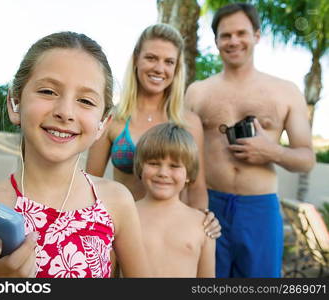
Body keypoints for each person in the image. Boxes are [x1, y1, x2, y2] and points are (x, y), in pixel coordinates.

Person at [0, 32, 150, 278]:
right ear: (14, 103)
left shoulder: (116, 202)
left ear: (102, 124)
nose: (65, 112)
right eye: (48, 92)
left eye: (85, 100)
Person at [185, 3, 315, 278]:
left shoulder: (286, 92)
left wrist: (272, 151)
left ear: (256, 35)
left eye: (241, 33)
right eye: (226, 35)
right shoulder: (197, 93)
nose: (233, 41)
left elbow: (306, 159)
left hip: (259, 209)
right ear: (217, 40)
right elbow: (183, 157)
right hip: (209, 205)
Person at [86, 23, 221, 238]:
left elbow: (196, 187)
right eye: (151, 58)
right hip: (121, 233)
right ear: (136, 59)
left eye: (169, 62)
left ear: (176, 69)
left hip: (172, 234)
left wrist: (202, 225)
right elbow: (90, 184)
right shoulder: (113, 119)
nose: (159, 68)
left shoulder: (189, 122)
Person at [134, 123, 215, 277]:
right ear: (140, 166)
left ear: (189, 174)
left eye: (174, 166)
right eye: (153, 163)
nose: (163, 172)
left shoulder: (203, 224)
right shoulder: (125, 218)